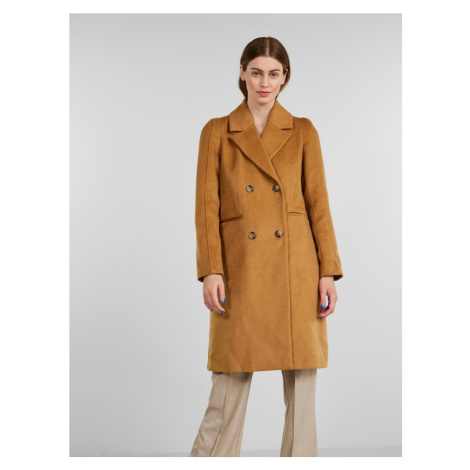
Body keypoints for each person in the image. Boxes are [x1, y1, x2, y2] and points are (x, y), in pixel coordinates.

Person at [190, 36, 344, 457]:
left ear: (284, 78)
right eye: (256, 72)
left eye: (273, 74)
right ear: (242, 73)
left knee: (302, 394)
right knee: (228, 386)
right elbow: (206, 209)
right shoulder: (217, 131)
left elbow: (319, 205)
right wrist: (211, 269)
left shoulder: (303, 131)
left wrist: (327, 271)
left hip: (296, 270)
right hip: (239, 270)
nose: (264, 82)